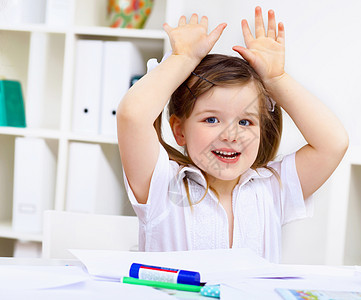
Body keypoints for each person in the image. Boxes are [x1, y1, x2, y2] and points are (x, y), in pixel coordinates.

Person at [117, 7, 348, 263]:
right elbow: (133, 116)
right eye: (212, 119)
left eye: (246, 121)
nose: (231, 135)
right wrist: (182, 58)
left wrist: (276, 78)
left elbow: (333, 143)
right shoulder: (161, 184)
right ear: (180, 130)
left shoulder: (272, 189)